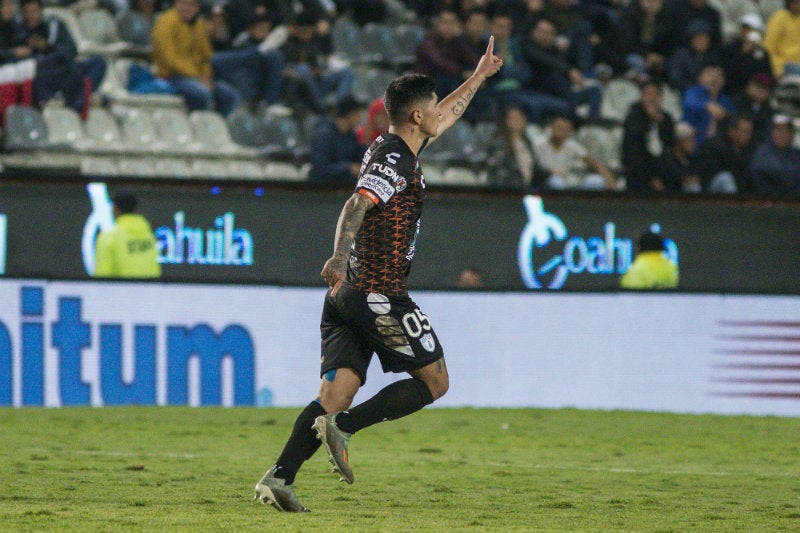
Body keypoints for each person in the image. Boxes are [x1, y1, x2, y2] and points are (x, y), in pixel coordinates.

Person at [254, 36, 503, 513]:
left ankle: (279, 478)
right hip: (378, 294)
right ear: (416, 116)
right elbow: (357, 204)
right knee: (435, 383)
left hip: (346, 298)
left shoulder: (398, 145)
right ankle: (345, 428)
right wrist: (339, 255)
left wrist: (477, 78)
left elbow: (448, 116)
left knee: (335, 394)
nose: (438, 112)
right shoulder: (394, 160)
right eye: (431, 106)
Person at [151, 0, 241, 116]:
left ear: (198, 7)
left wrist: (206, 75)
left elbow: (205, 56)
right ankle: (198, 128)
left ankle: (217, 127)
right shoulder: (165, 22)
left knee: (230, 96)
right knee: (201, 94)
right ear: (175, 3)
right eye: (183, 4)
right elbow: (169, 59)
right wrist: (196, 76)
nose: (187, 8)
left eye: (192, 5)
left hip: (198, 76)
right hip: (171, 76)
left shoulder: (198, 24)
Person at [533, 113, 617, 190]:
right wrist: (550, 173)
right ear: (551, 127)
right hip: (546, 181)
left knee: (597, 181)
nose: (562, 132)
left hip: (568, 180)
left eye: (566, 130)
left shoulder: (572, 145)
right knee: (556, 181)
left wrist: (608, 178)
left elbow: (593, 162)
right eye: (559, 128)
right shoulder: (538, 144)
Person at [621, 80, 676, 192]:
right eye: (648, 94)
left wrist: (660, 123)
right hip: (639, 172)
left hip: (663, 169)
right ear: (642, 96)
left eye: (655, 94)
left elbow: (670, 144)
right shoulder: (634, 117)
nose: (652, 98)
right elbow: (633, 151)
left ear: (661, 97)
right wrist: (651, 178)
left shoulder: (666, 118)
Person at [93, 192, 161, 279]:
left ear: (115, 209)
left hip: (119, 291)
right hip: (150, 291)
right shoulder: (149, 236)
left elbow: (101, 276)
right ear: (135, 210)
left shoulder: (108, 238)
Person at [485, 104, 547, 190]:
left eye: (520, 117)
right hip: (507, 190)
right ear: (505, 121)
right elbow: (497, 170)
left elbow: (535, 167)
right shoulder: (499, 143)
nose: (517, 121)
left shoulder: (527, 142)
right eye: (513, 118)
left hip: (527, 188)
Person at [308, 95, 367, 185]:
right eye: (358, 114)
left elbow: (359, 156)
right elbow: (320, 169)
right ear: (350, 114)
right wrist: (348, 168)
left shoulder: (350, 135)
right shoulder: (324, 135)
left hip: (344, 186)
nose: (360, 118)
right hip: (321, 189)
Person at [693, 113, 756, 193]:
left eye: (749, 132)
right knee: (726, 178)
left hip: (736, 189)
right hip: (708, 188)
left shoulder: (747, 149)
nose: (748, 135)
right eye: (744, 131)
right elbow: (707, 174)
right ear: (731, 131)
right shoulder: (715, 146)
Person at [681, 63, 734, 146]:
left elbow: (733, 118)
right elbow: (689, 102)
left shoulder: (725, 100)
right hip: (693, 144)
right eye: (710, 74)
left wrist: (724, 114)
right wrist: (707, 105)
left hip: (718, 147)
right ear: (699, 77)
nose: (714, 79)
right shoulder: (693, 92)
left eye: (719, 75)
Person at [750, 114, 800, 195]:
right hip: (768, 201)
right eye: (778, 130)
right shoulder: (762, 153)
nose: (782, 134)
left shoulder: (796, 154)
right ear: (771, 132)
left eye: (786, 131)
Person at [658, 121, 701, 192]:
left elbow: (697, 177)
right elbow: (674, 179)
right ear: (679, 142)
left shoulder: (690, 158)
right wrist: (687, 180)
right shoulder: (667, 158)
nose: (693, 143)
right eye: (689, 140)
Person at [762, 0, 800, 78]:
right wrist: (777, 68)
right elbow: (768, 47)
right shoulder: (779, 18)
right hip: (785, 64)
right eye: (797, 2)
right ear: (790, 3)